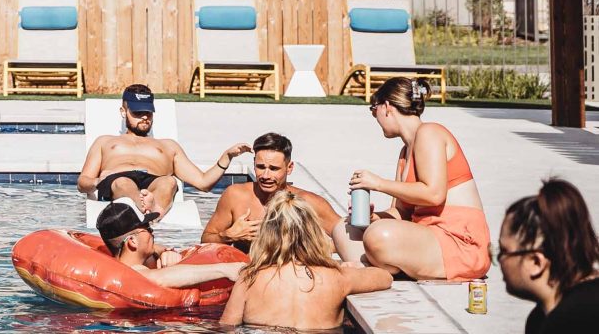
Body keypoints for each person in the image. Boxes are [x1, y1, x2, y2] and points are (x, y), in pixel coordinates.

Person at [332, 76, 490, 281]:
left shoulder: (430, 133)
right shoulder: (404, 153)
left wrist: (379, 184)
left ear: (387, 106)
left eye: (373, 109)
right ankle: (371, 271)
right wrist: (373, 218)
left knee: (378, 235)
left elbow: (434, 194)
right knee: (344, 228)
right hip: (427, 236)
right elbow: (402, 211)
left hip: (458, 242)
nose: (374, 116)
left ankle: (372, 269)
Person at [219, 191, 392, 331]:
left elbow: (227, 326)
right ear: (313, 233)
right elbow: (385, 277)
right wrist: (354, 268)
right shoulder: (337, 278)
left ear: (267, 234)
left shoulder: (249, 279)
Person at [77, 84, 251, 215]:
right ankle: (145, 208)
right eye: (137, 113)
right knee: (123, 182)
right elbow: (82, 182)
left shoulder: (169, 146)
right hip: (117, 180)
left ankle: (152, 213)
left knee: (169, 182)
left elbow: (203, 183)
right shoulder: (105, 142)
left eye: (148, 112)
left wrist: (227, 157)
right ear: (123, 111)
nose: (144, 117)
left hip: (154, 182)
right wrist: (97, 181)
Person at [202, 132, 340, 250]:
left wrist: (306, 247)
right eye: (261, 167)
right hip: (247, 274)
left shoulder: (308, 202)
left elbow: (349, 240)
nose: (266, 176)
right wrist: (227, 235)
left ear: (289, 168)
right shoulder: (235, 195)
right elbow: (205, 240)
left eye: (274, 169)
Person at [498, 177, 599, 333]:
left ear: (536, 262)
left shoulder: (567, 322)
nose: (499, 260)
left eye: (504, 251)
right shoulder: (542, 318)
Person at [95, 201, 245, 289]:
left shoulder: (116, 263)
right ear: (132, 241)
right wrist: (226, 270)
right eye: (147, 228)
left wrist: (165, 251)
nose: (152, 233)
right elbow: (157, 278)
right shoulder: (133, 274)